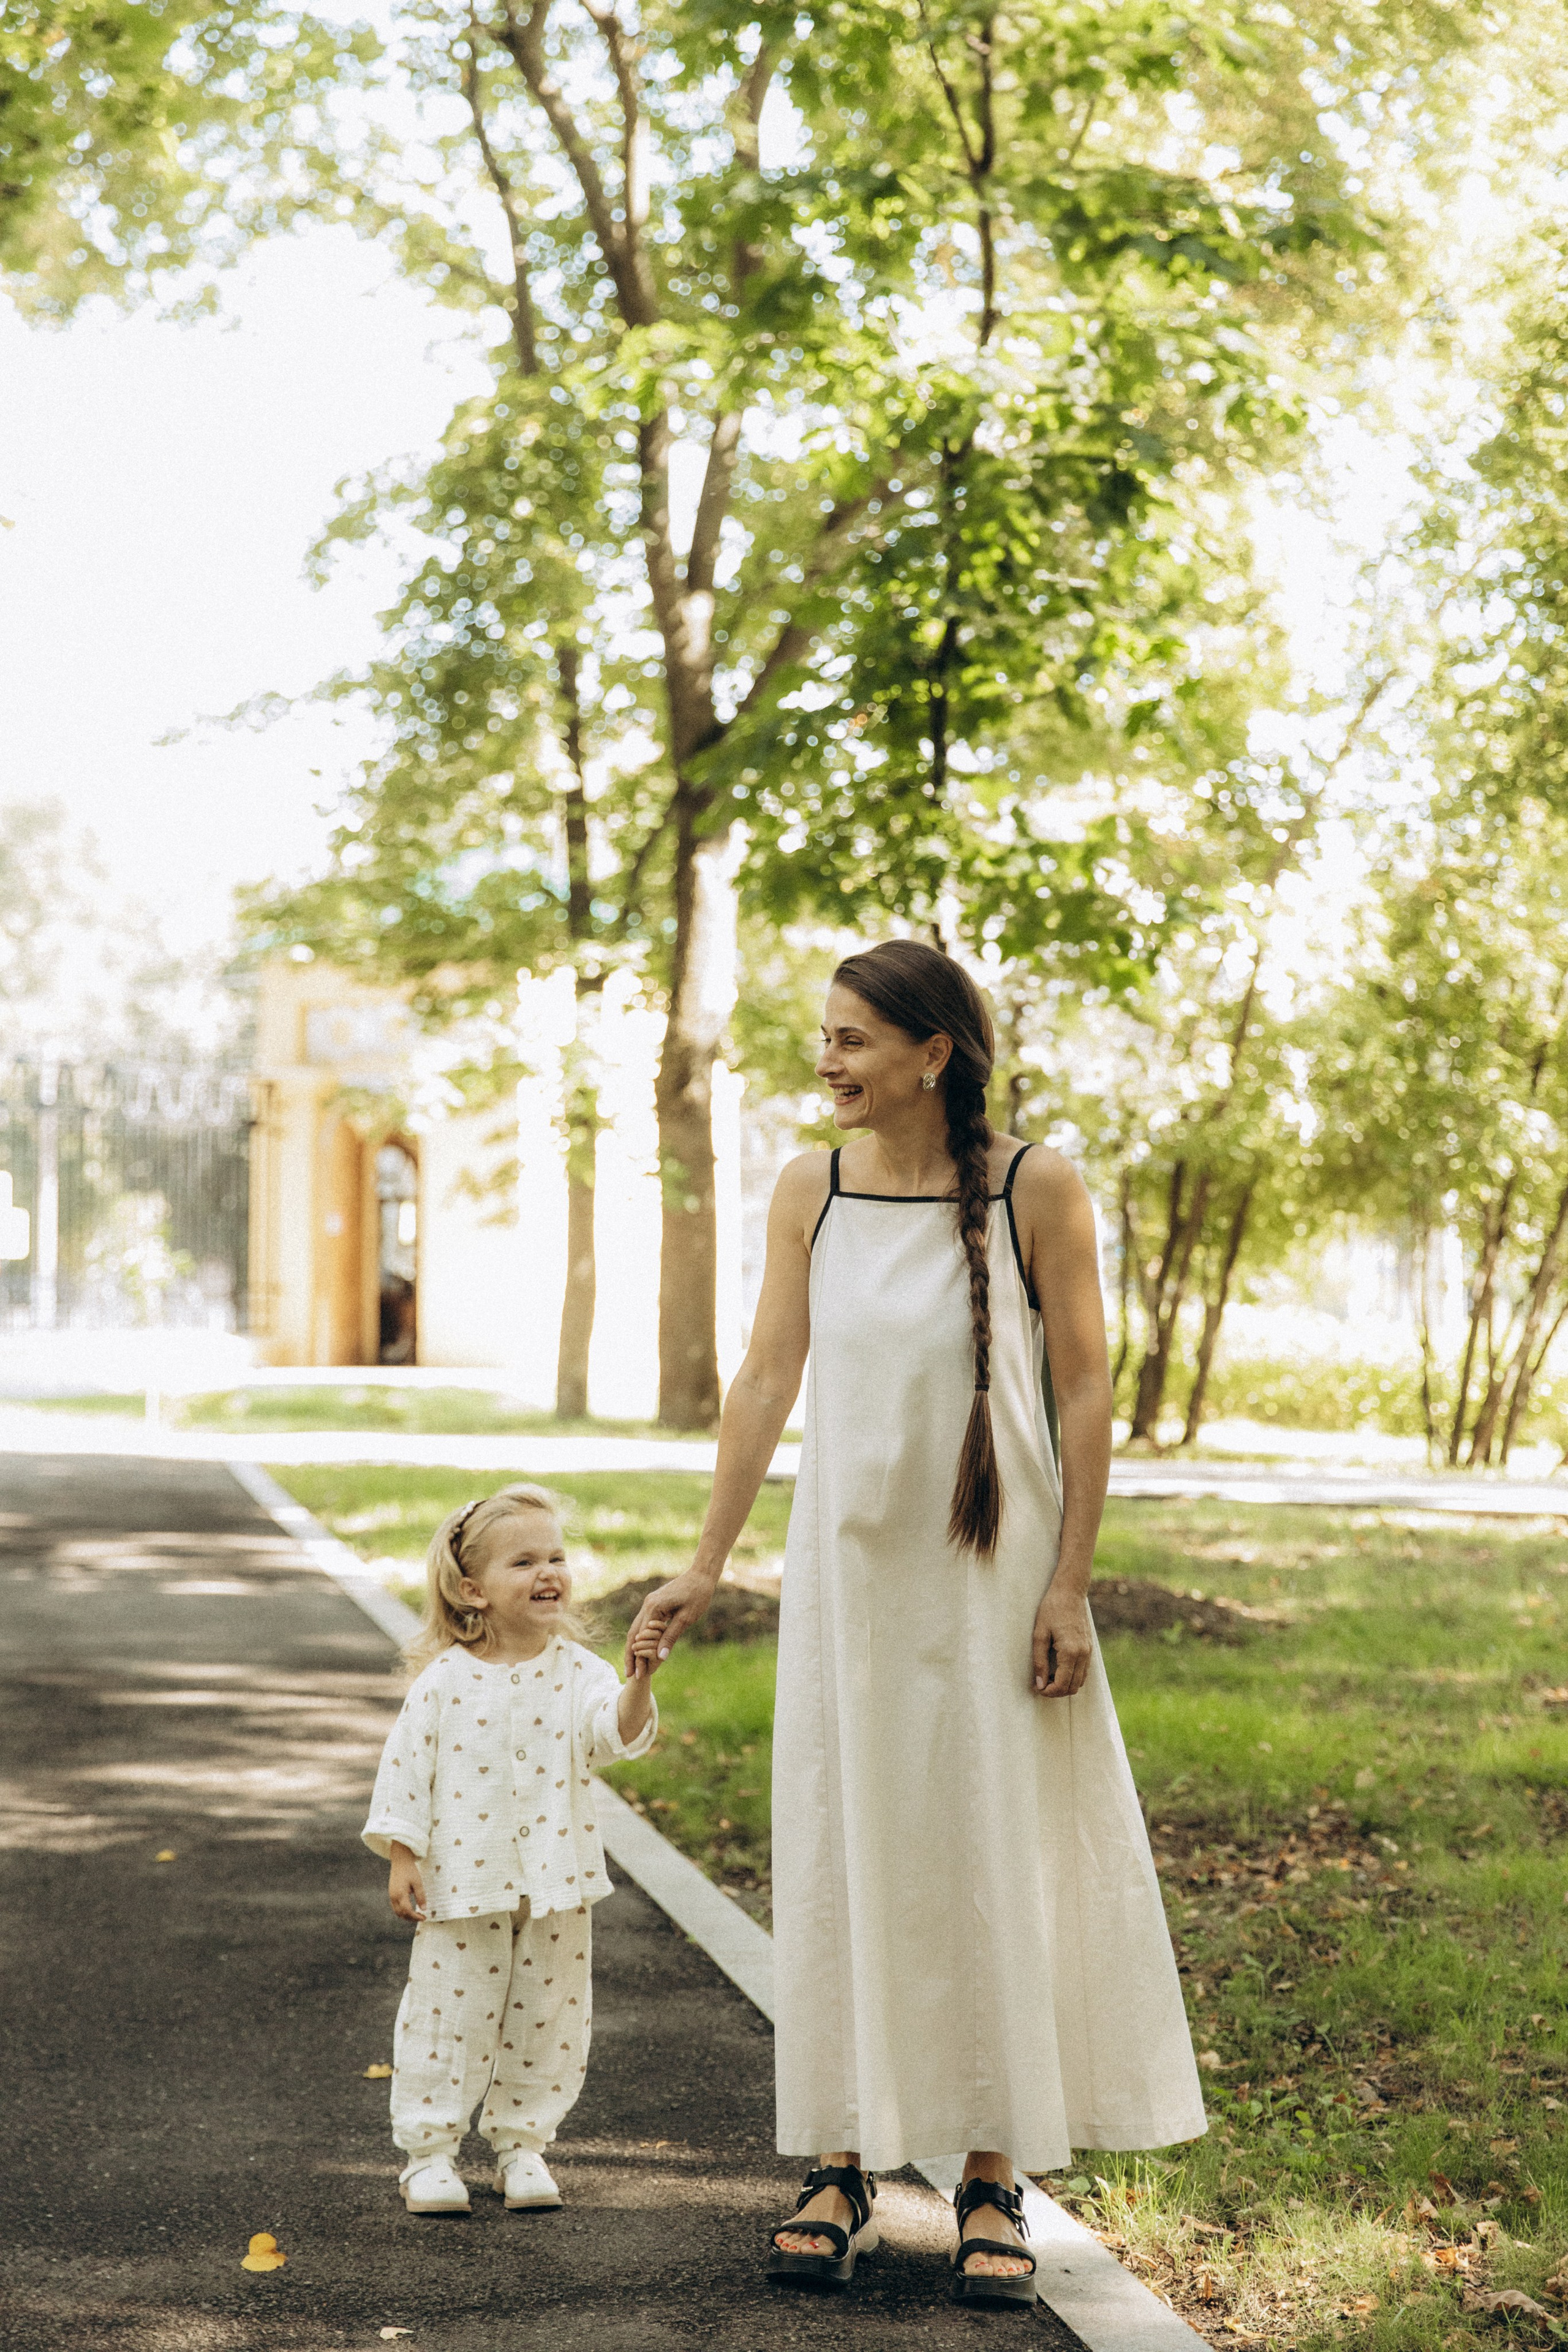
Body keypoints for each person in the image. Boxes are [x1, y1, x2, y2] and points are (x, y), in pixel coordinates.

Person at [626, 941, 1204, 2308]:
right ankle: (839, 2159)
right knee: (848, 1841)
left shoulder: (1030, 1185)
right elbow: (768, 1375)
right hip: (850, 1584)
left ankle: (991, 2173)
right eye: (822, 1039)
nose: (825, 1062)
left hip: (991, 1576)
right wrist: (706, 1564)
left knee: (986, 1842)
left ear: (931, 1053)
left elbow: (1077, 1393)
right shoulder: (807, 1187)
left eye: (849, 1041)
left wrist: (1069, 1580)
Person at [364, 1482, 660, 2215]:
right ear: (473, 1589)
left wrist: (640, 1681)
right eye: (523, 1561)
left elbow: (613, 1737)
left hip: (557, 1884)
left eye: (555, 1557)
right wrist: (404, 1855)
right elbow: (406, 1768)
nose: (548, 1573)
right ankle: (428, 2155)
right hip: (461, 1883)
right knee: (446, 2015)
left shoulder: (582, 1673)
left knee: (549, 2015)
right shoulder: (444, 1683)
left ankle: (522, 2145)